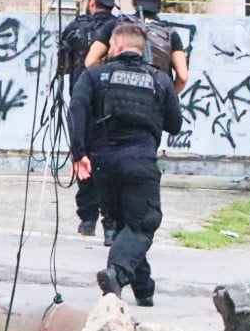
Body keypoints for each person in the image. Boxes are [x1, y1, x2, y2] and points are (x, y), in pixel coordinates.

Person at [69, 22, 183, 307]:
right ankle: (117, 273)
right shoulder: (159, 79)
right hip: (139, 162)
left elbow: (76, 111)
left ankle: (144, 289)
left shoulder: (94, 76)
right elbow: (175, 124)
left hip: (103, 165)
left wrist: (78, 153)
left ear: (115, 46)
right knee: (144, 222)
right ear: (140, 48)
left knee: (123, 226)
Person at [59, 0, 119, 243]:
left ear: (91, 1)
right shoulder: (120, 28)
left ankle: (87, 219)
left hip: (81, 101)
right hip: (111, 103)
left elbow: (62, 67)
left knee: (82, 155)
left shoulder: (74, 28)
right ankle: (111, 221)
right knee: (109, 160)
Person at [85, 0, 189, 94]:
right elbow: (183, 77)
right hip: (154, 102)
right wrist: (167, 96)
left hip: (118, 96)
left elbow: (91, 61)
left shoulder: (117, 25)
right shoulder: (170, 34)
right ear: (161, 3)